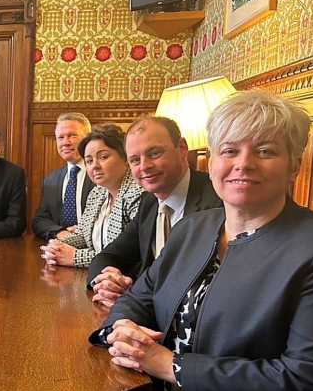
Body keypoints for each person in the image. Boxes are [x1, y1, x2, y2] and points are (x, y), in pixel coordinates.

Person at [90, 91, 313, 391]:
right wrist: (121, 327)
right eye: (230, 150)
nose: (243, 164)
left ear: (294, 166)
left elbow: (307, 381)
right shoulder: (194, 227)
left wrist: (170, 364)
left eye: (265, 151)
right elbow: (142, 294)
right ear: (212, 159)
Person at [86, 116, 221, 306]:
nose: (145, 166)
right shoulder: (149, 204)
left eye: (155, 153)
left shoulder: (218, 200)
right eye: (134, 160)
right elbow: (108, 256)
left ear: (182, 148)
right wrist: (106, 281)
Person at [40, 123, 145, 268]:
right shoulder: (97, 193)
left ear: (125, 158)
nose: (94, 165)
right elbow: (82, 235)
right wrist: (56, 247)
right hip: (96, 278)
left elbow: (131, 256)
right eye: (89, 161)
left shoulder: (138, 195)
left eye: (103, 157)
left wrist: (75, 257)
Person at [32, 112, 95, 240]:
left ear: (87, 138)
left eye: (72, 135)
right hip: (60, 248)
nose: (65, 142)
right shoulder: (50, 180)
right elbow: (39, 220)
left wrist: (84, 231)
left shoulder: (100, 173)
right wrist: (61, 233)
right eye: (60, 137)